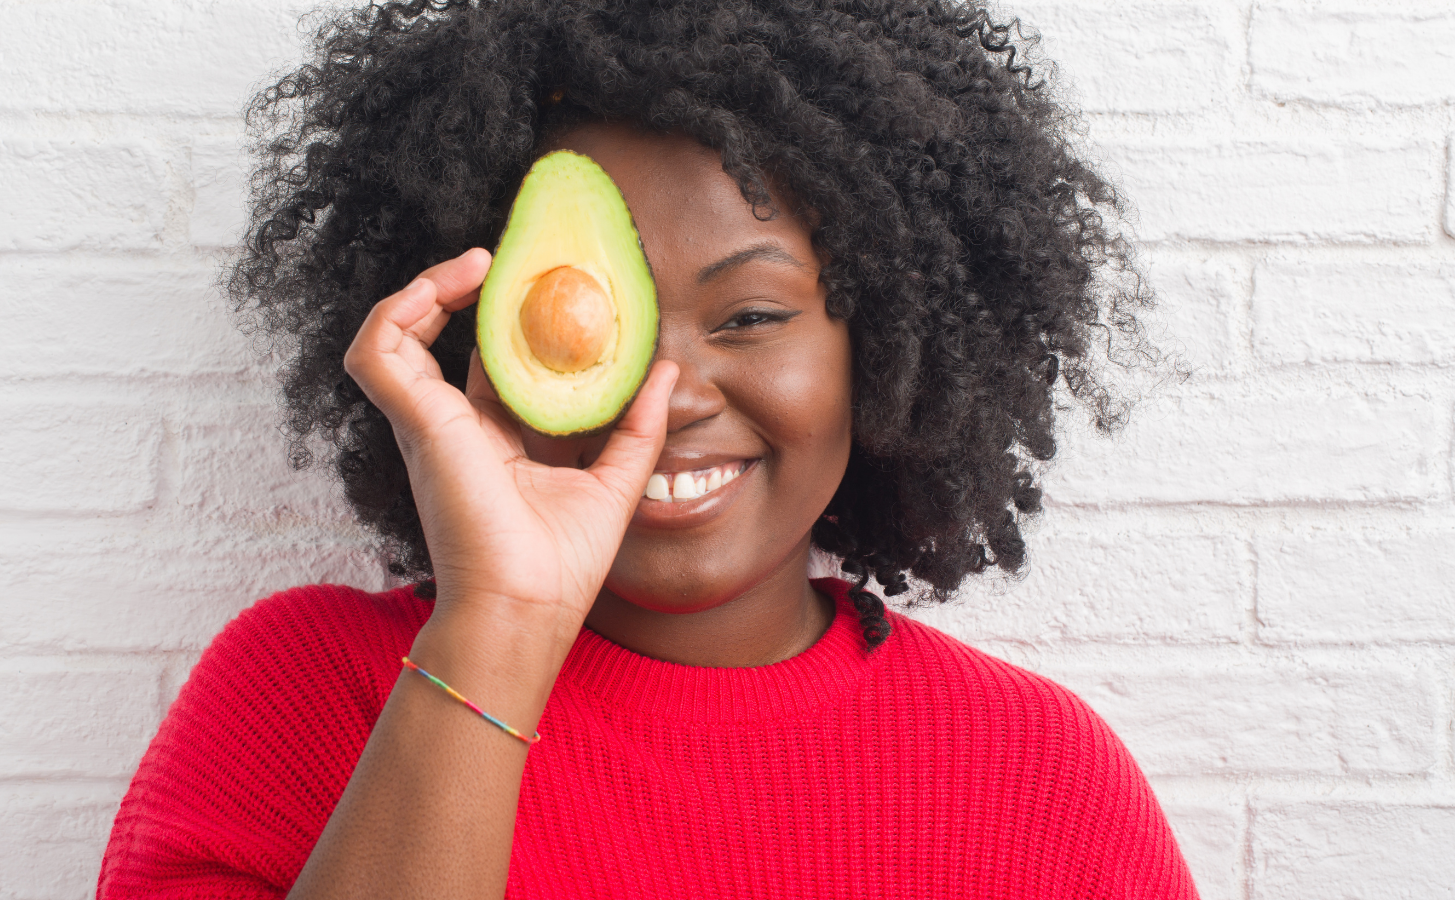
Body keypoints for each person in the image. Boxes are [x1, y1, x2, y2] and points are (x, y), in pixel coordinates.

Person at [97, 0, 1196, 896]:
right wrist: (498, 626)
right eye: (581, 321)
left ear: (888, 348)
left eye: (753, 318)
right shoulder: (300, 694)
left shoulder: (1038, 776)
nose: (664, 399)